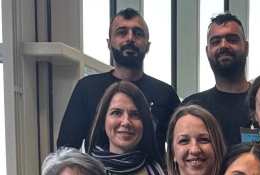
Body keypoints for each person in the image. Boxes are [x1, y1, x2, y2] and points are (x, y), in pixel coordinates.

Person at [57, 7, 179, 152]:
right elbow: (66, 149)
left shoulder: (165, 93)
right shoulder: (87, 88)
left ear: (148, 45)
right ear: (109, 43)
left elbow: (182, 143)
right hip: (99, 174)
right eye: (122, 32)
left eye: (137, 33)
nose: (130, 38)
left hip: (152, 174)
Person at [86, 81, 167, 175]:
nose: (126, 122)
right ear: (103, 120)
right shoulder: (87, 174)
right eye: (116, 113)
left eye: (135, 114)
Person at [182, 13, 253, 149]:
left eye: (232, 39)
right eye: (215, 41)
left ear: (246, 47)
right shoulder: (192, 106)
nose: (224, 45)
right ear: (207, 51)